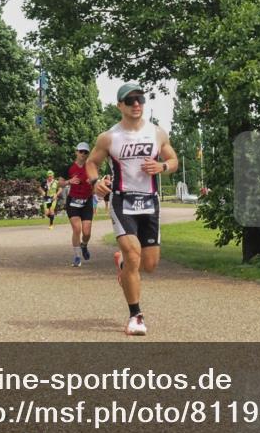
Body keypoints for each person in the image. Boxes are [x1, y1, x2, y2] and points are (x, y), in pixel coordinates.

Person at [88, 82, 178, 336]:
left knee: (149, 265)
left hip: (150, 201)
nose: (136, 104)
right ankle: (135, 316)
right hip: (122, 201)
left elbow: (173, 160)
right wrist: (96, 183)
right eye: (130, 100)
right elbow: (92, 163)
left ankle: (122, 267)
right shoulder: (109, 137)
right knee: (133, 252)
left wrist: (162, 167)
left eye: (139, 99)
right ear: (120, 106)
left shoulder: (157, 133)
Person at [60, 142, 96, 267]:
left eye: (86, 152)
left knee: (86, 233)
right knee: (77, 229)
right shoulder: (68, 167)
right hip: (73, 201)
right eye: (81, 151)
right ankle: (76, 256)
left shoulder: (91, 167)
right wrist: (69, 181)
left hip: (87, 201)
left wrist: (92, 182)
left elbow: (97, 183)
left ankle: (84, 245)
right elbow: (60, 183)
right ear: (76, 152)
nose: (83, 154)